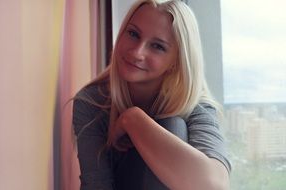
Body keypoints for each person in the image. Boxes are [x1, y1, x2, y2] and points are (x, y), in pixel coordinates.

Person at [72, 0, 231, 189]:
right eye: (133, 34)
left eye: (157, 46)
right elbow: (96, 186)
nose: (137, 52)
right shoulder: (93, 102)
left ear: (176, 60)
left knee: (173, 125)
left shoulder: (194, 106)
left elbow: (215, 186)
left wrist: (133, 119)